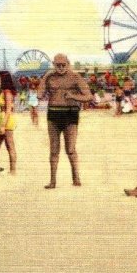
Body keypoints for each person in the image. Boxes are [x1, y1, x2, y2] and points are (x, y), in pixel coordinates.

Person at [37, 54, 94, 188]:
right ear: (54, 64)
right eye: (58, 65)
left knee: (70, 149)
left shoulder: (75, 77)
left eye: (64, 65)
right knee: (54, 150)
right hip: (53, 115)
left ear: (68, 63)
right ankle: (52, 182)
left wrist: (73, 96)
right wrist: (45, 77)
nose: (61, 67)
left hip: (70, 115)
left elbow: (89, 96)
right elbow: (39, 95)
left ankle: (76, 178)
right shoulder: (49, 77)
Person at [0, 71, 17, 174]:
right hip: (4, 119)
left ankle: (13, 171)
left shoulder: (7, 92)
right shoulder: (4, 91)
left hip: (6, 120)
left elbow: (8, 110)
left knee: (9, 146)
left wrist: (3, 125)